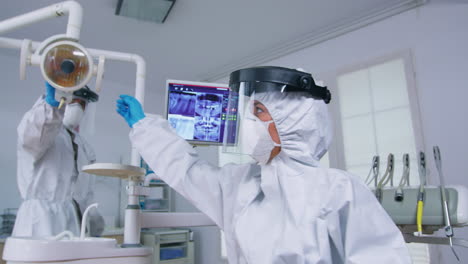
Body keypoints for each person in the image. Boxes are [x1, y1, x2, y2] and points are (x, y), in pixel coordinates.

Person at [116, 66, 411, 263]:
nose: (248, 122)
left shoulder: (339, 190)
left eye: (259, 110)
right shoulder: (240, 185)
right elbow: (188, 171)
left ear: (294, 120)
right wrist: (145, 127)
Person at [13, 82, 104, 238]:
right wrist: (50, 107)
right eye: (73, 101)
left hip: (71, 220)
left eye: (82, 104)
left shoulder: (83, 147)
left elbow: (86, 193)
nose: (78, 108)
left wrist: (94, 221)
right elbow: (34, 134)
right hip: (38, 220)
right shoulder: (44, 130)